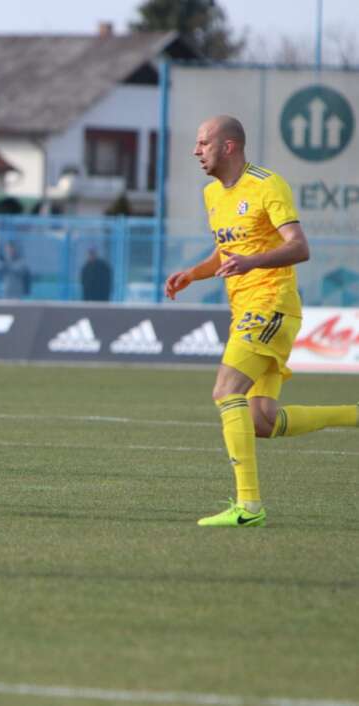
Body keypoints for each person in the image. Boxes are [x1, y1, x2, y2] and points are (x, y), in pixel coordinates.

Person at [165, 114, 357, 527]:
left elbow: (299, 247)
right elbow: (226, 251)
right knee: (262, 421)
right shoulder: (212, 195)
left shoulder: (267, 184)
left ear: (228, 146)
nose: (195, 151)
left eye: (203, 143)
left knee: (225, 390)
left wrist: (251, 264)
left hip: (271, 305)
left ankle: (248, 506)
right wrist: (192, 274)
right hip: (246, 310)